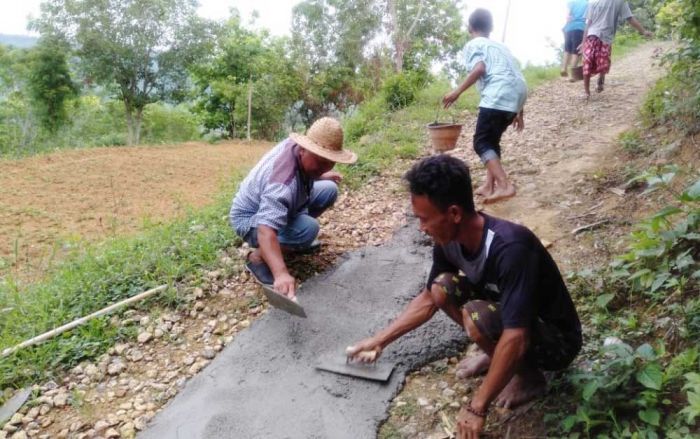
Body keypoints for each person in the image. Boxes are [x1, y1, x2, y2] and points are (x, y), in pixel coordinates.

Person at [347, 155, 582, 438]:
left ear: (454, 213)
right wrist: (379, 340)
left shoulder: (511, 247)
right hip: (513, 320)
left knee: (476, 316)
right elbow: (428, 298)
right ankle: (495, 356)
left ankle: (529, 377)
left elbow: (516, 336)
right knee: (441, 287)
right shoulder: (448, 241)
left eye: (424, 219)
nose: (421, 228)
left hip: (556, 342)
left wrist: (476, 407)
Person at [229, 117, 357, 299]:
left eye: (329, 162)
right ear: (304, 150)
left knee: (329, 189)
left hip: (278, 204)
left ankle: (288, 242)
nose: (323, 168)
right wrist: (280, 274)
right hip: (252, 220)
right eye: (320, 162)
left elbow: (306, 174)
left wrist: (321, 174)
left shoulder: (296, 148)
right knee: (308, 229)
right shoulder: (281, 184)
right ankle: (258, 258)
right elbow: (265, 229)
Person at [442, 8, 527, 205]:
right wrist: (519, 110)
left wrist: (457, 92)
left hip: (498, 93)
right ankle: (490, 186)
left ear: (470, 27)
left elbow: (480, 68)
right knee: (492, 140)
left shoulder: (474, 44)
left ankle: (504, 185)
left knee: (481, 142)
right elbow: (513, 74)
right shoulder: (501, 47)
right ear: (491, 28)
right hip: (517, 93)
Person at [580, 0, 653, 99]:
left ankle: (601, 79)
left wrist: (643, 31)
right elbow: (588, 23)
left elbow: (630, 18)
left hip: (606, 37)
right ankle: (587, 92)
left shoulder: (620, 2)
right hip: (592, 35)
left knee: (603, 62)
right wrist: (583, 42)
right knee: (587, 62)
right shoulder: (593, 2)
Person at [561, 0, 589, 79]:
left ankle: (564, 68)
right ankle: (572, 75)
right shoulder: (587, 3)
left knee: (567, 49)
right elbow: (589, 17)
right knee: (576, 51)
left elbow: (567, 15)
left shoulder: (572, 1)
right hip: (580, 27)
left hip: (569, 28)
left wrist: (567, 22)